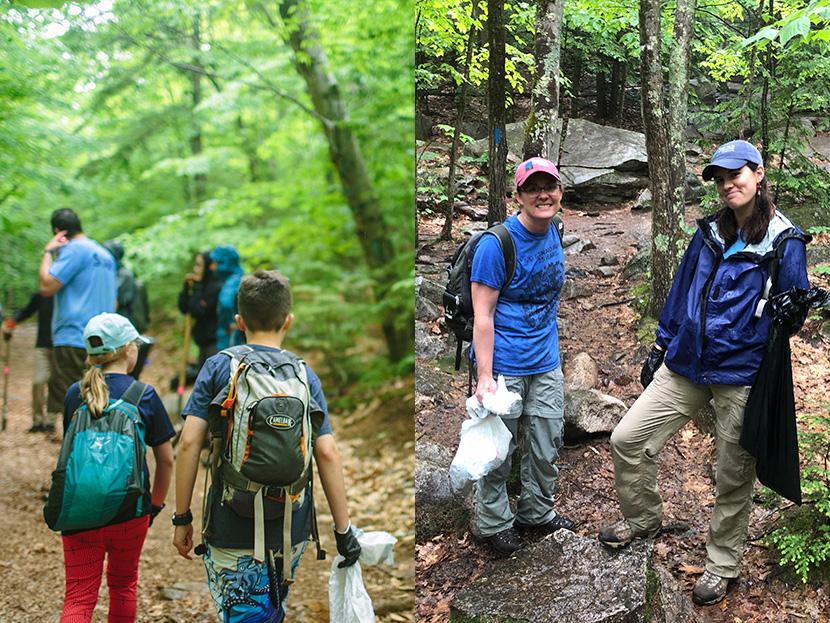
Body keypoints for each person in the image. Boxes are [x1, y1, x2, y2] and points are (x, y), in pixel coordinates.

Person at [597, 140, 811, 606]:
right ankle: (642, 519)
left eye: (736, 174)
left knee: (732, 474)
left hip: (740, 373)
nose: (727, 184)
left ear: (758, 173)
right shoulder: (709, 234)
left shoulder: (785, 240)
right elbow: (680, 293)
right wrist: (659, 347)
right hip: (688, 363)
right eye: (719, 177)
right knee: (627, 439)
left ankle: (721, 564)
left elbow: (792, 316)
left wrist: (793, 311)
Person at [173, 269, 361, 622]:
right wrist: (343, 530)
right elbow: (327, 453)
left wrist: (181, 517)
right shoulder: (304, 374)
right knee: (272, 610)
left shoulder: (219, 367)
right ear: (288, 320)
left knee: (249, 615)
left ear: (239, 322)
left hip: (231, 522)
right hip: (292, 523)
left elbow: (188, 444)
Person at [470, 157, 574, 556]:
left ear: (560, 193)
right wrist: (484, 376)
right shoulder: (496, 245)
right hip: (504, 365)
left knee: (547, 441)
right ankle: (492, 522)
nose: (543, 195)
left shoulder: (555, 231)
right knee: (499, 451)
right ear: (519, 196)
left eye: (550, 186)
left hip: (546, 360)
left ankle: (537, 513)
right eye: (533, 188)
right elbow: (483, 315)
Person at [60, 312, 174, 621]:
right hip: (130, 509)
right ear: (128, 350)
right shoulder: (144, 395)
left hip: (79, 509)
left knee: (79, 595)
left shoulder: (74, 394)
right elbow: (166, 459)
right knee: (123, 586)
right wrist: (155, 504)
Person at [39, 209, 116, 434]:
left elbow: (46, 285)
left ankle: (74, 451)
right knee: (98, 395)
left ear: (58, 232)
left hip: (74, 335)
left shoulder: (73, 250)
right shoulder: (105, 255)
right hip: (105, 337)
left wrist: (47, 252)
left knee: (73, 397)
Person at [2, 290, 53, 431]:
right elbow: (27, 311)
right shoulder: (42, 295)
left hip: (63, 345)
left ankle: (51, 421)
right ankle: (38, 421)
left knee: (56, 384)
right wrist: (12, 322)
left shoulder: (68, 294)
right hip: (42, 345)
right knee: (38, 381)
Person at [103, 240, 153, 379]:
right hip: (119, 326)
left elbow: (115, 301)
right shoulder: (118, 273)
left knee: (124, 366)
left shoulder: (123, 275)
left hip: (124, 326)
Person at [177, 250, 220, 369]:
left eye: (199, 265)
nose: (195, 269)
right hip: (202, 340)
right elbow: (184, 308)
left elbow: (199, 311)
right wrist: (186, 289)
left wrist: (196, 288)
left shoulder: (215, 286)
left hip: (214, 341)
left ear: (209, 266)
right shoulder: (200, 284)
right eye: (196, 265)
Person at [211, 244, 245, 350]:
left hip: (231, 334)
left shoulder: (233, 281)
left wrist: (227, 324)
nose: (212, 267)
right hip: (235, 332)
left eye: (215, 263)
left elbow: (225, 303)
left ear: (224, 263)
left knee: (228, 361)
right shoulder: (238, 277)